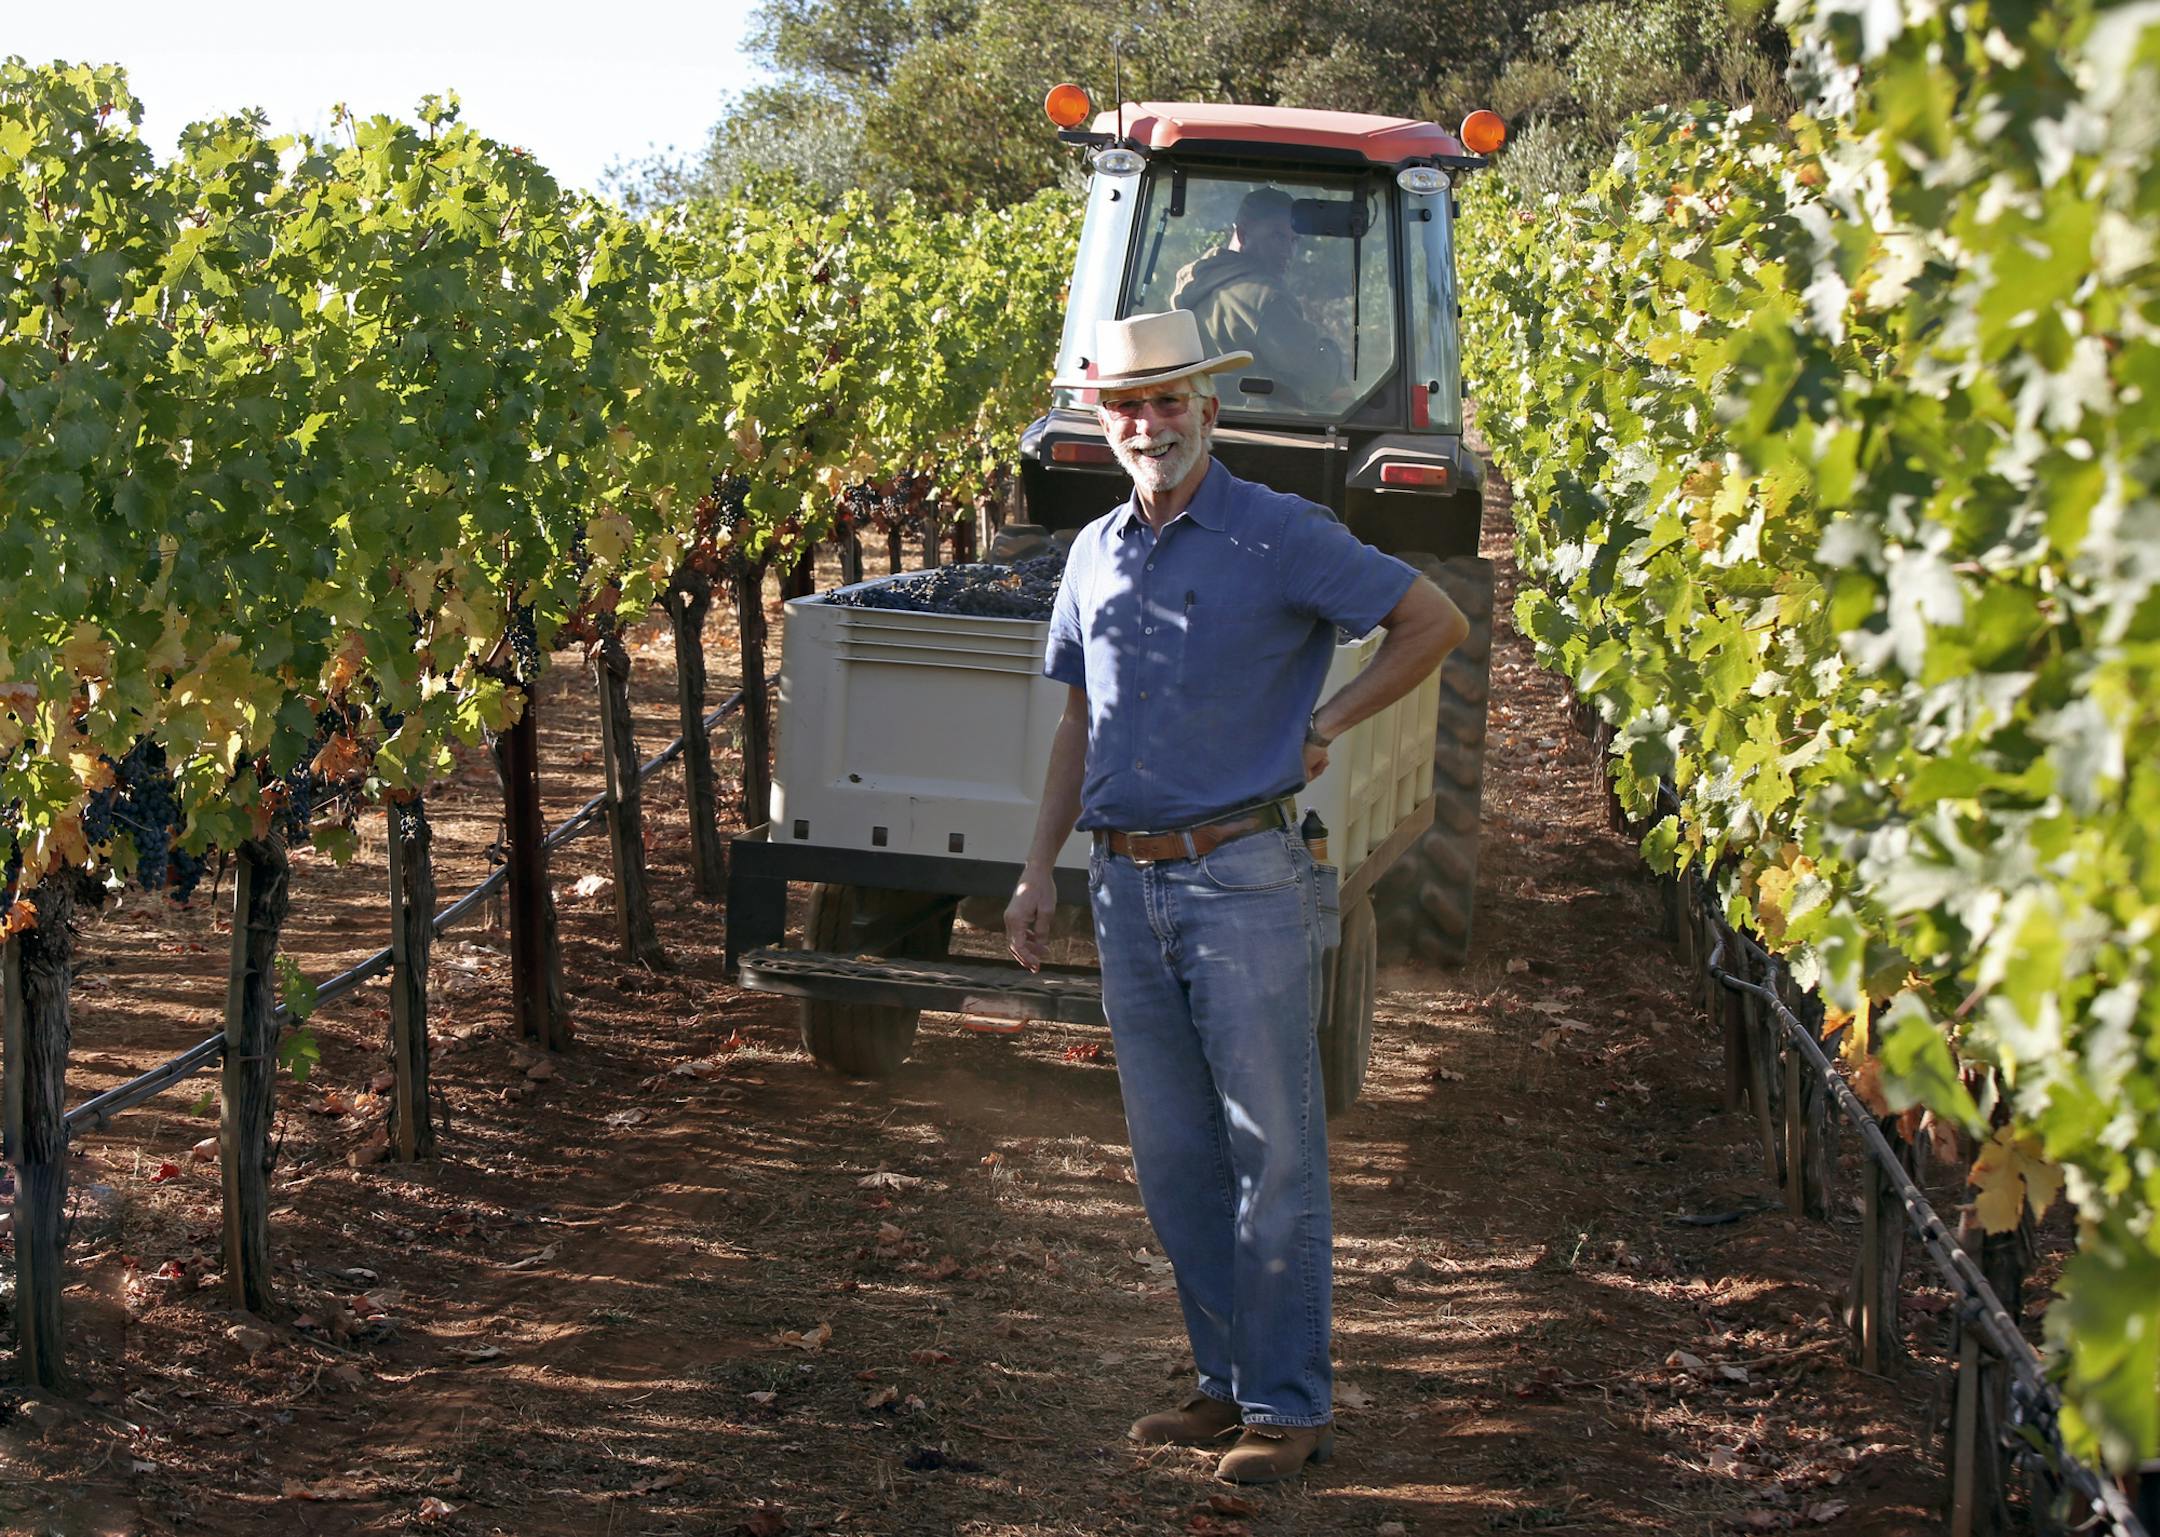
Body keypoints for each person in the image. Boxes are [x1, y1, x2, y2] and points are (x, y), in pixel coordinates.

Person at [1004, 310, 1466, 1484]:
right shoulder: (1095, 551)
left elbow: (1432, 619)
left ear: (1209, 410)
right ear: (1102, 421)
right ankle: (1223, 1384)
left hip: (1243, 879)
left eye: (1169, 403)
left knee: (1273, 1151)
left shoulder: (1280, 536)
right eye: (1126, 406)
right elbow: (1077, 721)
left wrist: (1327, 722)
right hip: (1121, 883)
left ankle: (1289, 1405)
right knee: (1174, 1156)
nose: (1147, 424)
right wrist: (1034, 868)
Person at [1168, 187, 1342, 409]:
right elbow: (1318, 376)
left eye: (1294, 240)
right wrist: (1332, 352)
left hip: (1208, 420)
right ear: (1242, 234)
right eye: (1277, 236)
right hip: (1263, 429)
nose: (1288, 251)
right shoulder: (1265, 299)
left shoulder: (1198, 284)